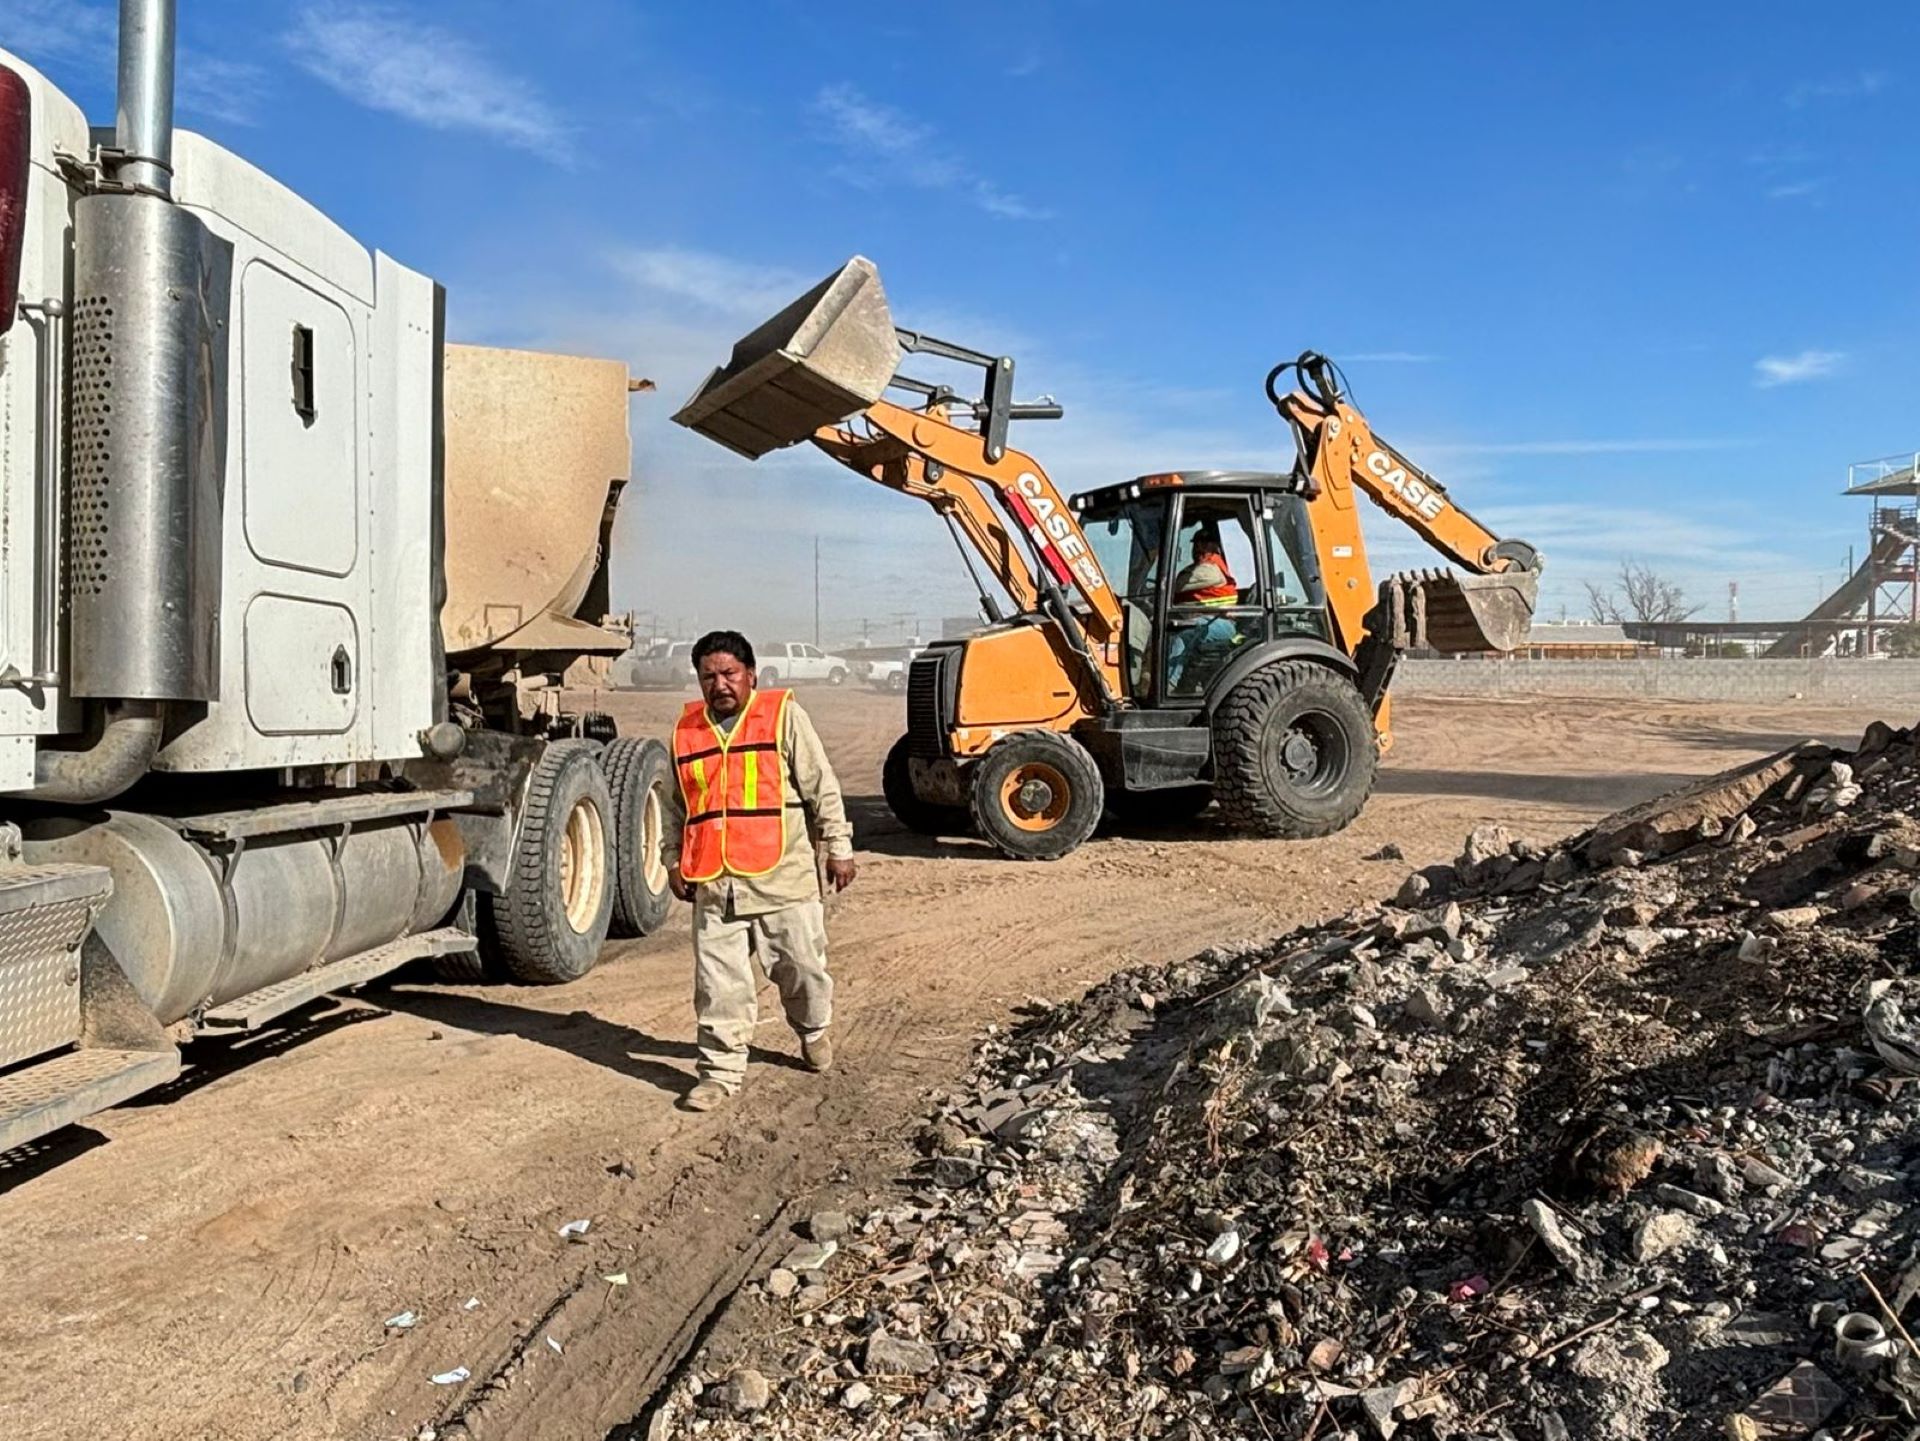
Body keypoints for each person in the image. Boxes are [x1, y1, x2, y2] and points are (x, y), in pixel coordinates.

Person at [661, 630, 856, 1112]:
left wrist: (838, 845)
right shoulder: (686, 731)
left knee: (801, 970)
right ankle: (719, 1073)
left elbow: (820, 785)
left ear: (751, 674)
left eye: (729, 673)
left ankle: (813, 1030)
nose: (720, 684)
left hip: (782, 877)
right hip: (714, 881)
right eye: (709, 676)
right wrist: (672, 860)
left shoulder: (783, 716)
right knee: (718, 986)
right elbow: (673, 807)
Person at [1166, 527, 1242, 691]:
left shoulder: (1210, 569)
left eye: (1204, 544)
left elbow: (1174, 586)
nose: (1198, 548)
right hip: (1208, 619)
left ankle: (1168, 686)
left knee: (1184, 636)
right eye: (1196, 544)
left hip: (1220, 623)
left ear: (1214, 547)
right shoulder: (1200, 566)